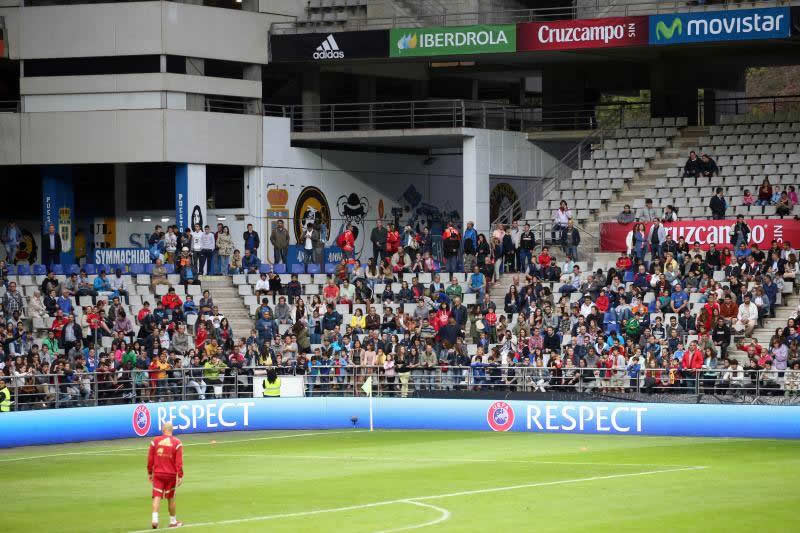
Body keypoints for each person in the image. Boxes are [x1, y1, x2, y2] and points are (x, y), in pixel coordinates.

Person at [147, 422, 184, 529]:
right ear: (172, 430)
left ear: (163, 429)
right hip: (171, 475)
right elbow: (179, 462)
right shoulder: (177, 443)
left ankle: (155, 519)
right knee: (171, 498)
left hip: (158, 473)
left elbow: (150, 459)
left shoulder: (155, 441)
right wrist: (180, 475)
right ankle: (173, 521)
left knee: (157, 497)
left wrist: (150, 472)